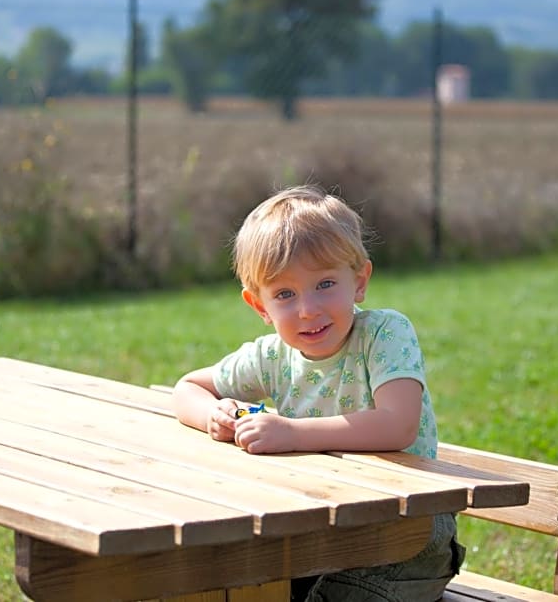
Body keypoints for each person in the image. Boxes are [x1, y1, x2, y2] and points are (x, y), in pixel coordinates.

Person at [173, 184, 464, 601]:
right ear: (260, 307)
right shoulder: (271, 355)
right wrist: (214, 415)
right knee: (218, 579)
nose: (308, 309)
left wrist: (293, 433)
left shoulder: (383, 334)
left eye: (325, 284)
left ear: (359, 281)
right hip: (319, 527)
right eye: (285, 295)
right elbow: (188, 387)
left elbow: (398, 426)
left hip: (407, 529)